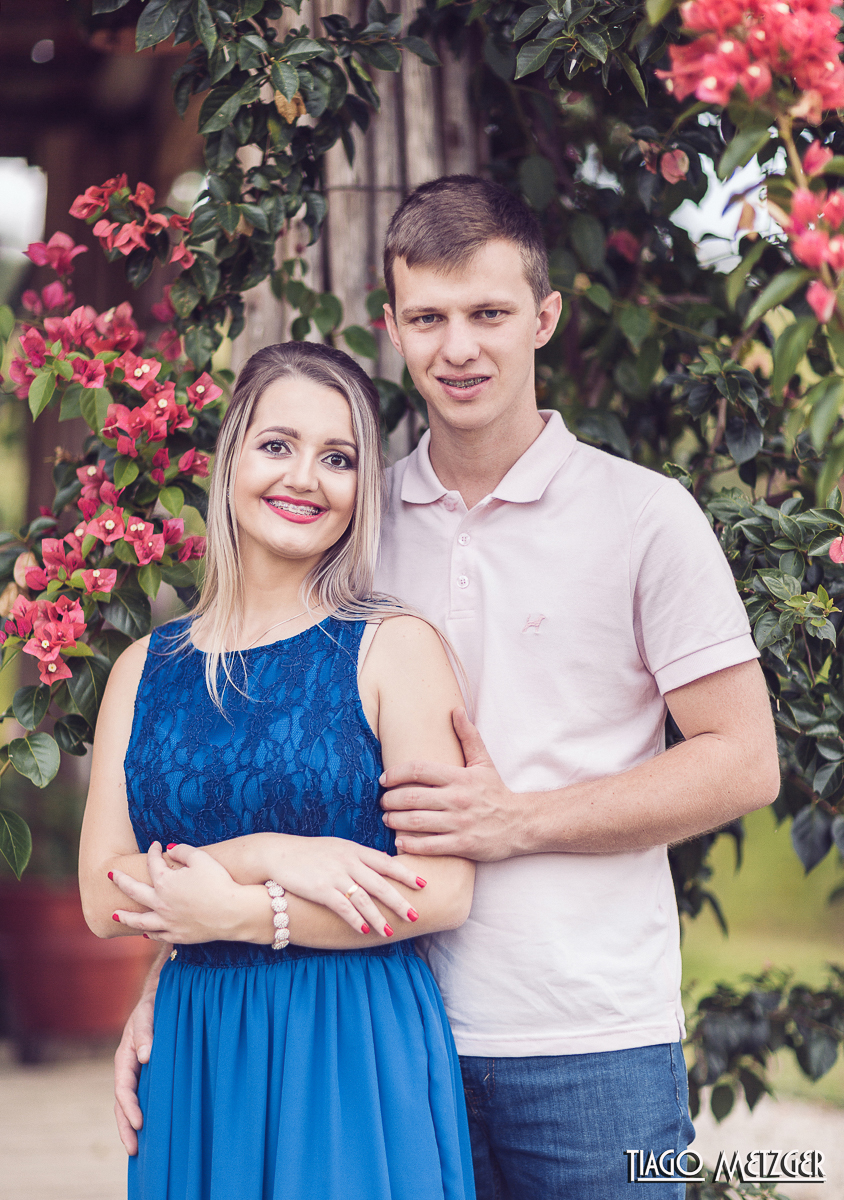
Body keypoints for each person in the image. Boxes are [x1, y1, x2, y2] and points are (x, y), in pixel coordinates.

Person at [114, 177, 781, 1198]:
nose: (457, 347)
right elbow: (259, 772)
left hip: (587, 1035)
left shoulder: (644, 517)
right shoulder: (350, 527)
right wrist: (176, 967)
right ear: (391, 327)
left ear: (544, 318)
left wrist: (515, 821)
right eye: (428, 317)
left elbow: (742, 761)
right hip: (383, 1029)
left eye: (488, 314)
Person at [78, 341, 477, 1200]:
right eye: (277, 445)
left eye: (338, 459)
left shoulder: (391, 649)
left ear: (360, 491)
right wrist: (269, 852)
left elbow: (441, 892)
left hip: (350, 1039)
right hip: (198, 1042)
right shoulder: (143, 669)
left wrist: (238, 909)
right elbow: (103, 899)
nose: (305, 477)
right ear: (231, 460)